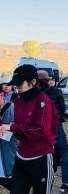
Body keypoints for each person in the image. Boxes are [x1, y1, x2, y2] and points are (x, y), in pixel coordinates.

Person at [0, 64, 58, 194]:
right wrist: (6, 128)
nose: (17, 87)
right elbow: (19, 127)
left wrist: (11, 127)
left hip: (41, 157)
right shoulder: (19, 102)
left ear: (33, 82)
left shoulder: (43, 100)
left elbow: (41, 130)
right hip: (21, 156)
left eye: (20, 83)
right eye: (16, 84)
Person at [38, 71, 68, 193]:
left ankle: (45, 179)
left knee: (50, 152)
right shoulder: (56, 92)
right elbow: (63, 109)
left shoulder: (36, 94)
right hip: (55, 126)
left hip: (41, 129)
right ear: (48, 80)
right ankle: (66, 183)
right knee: (65, 152)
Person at [0, 79, 17, 191]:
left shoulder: (12, 106)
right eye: (3, 85)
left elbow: (15, 127)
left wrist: (6, 128)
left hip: (9, 153)